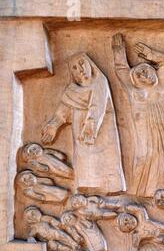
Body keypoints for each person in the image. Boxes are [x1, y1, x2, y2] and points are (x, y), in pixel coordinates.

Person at [41, 53, 126, 195]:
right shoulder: (71, 91)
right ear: (72, 73)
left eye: (82, 63)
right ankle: (88, 194)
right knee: (85, 164)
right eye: (74, 67)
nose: (80, 69)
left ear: (90, 65)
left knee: (106, 163)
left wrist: (90, 126)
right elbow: (62, 113)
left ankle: (111, 191)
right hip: (81, 136)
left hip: (102, 134)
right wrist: (53, 126)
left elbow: (97, 106)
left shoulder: (100, 83)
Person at [112, 33, 164, 198]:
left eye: (145, 70)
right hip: (145, 130)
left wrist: (150, 54)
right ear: (135, 82)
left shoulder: (162, 83)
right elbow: (121, 69)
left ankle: (159, 191)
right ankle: (138, 192)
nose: (144, 75)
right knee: (144, 157)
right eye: (139, 75)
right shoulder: (134, 91)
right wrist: (118, 52)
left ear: (153, 70)